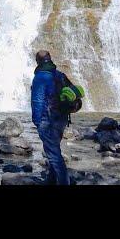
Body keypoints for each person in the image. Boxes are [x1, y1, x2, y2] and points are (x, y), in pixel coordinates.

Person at [31, 50, 70, 185]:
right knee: (54, 148)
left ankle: (64, 182)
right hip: (62, 118)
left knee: (53, 154)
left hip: (48, 119)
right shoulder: (58, 74)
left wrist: (36, 121)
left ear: (38, 61)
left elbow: (38, 101)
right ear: (50, 59)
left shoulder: (40, 77)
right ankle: (51, 180)